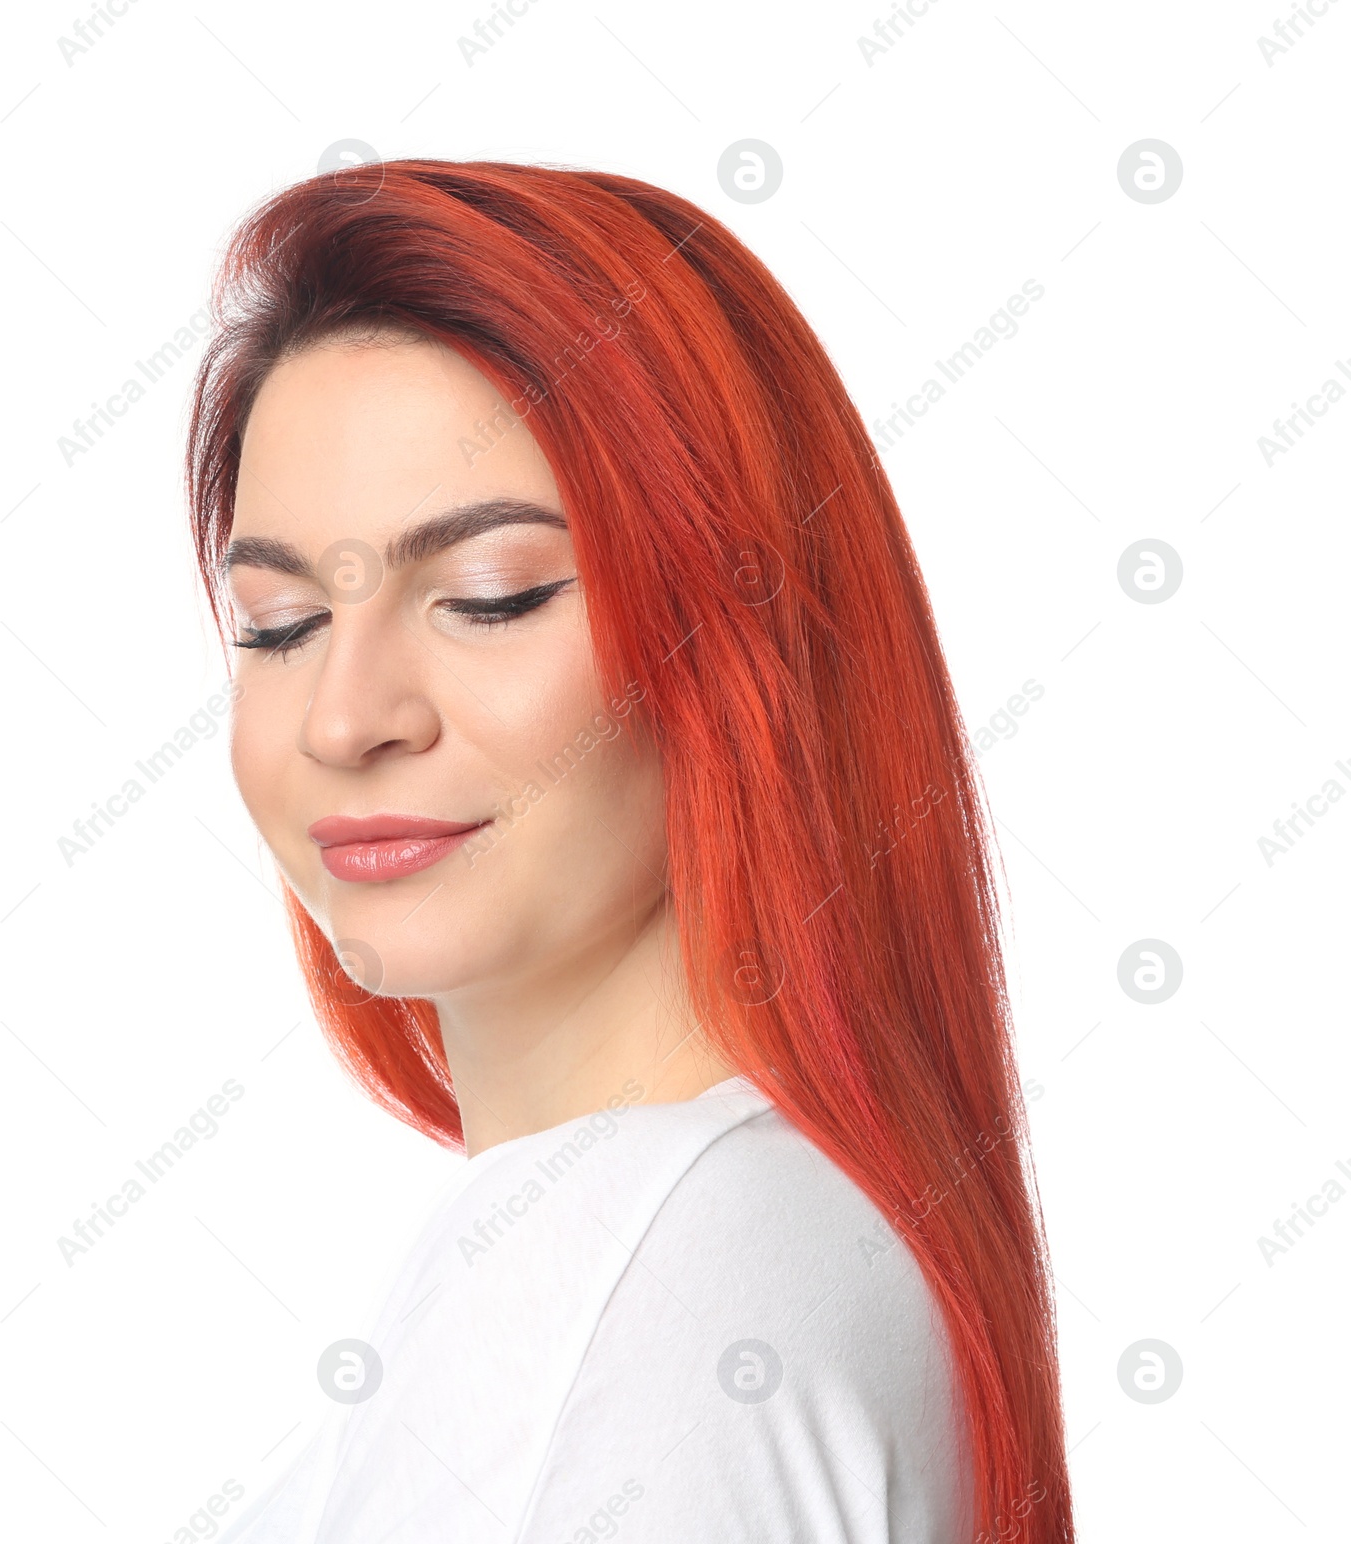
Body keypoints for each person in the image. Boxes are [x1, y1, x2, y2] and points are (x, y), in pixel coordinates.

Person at [187, 159, 1072, 1543]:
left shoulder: (636, 1254)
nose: (346, 715)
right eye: (278, 624)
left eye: (492, 596)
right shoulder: (778, 1233)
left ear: (745, 648)